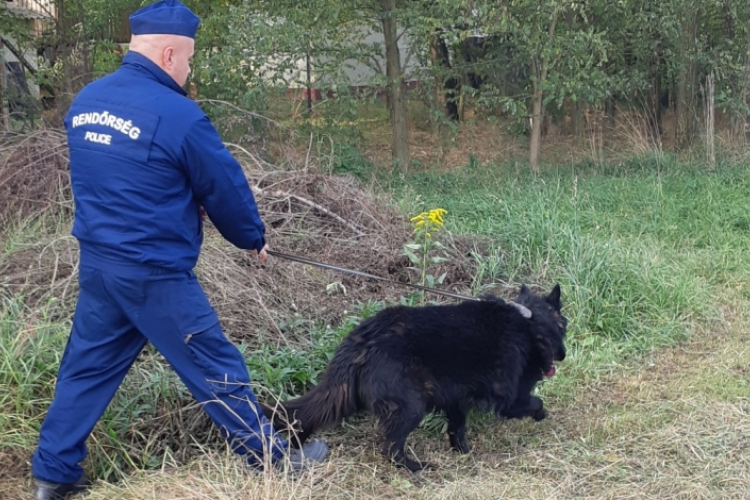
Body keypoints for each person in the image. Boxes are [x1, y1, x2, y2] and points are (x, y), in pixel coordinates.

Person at [31, 2, 327, 499]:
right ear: (169, 53)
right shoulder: (179, 116)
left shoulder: (86, 101)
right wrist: (252, 237)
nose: (189, 71)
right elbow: (224, 188)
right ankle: (272, 460)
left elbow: (119, 178)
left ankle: (52, 476)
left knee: (84, 371)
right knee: (215, 365)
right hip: (155, 275)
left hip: (101, 267)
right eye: (188, 60)